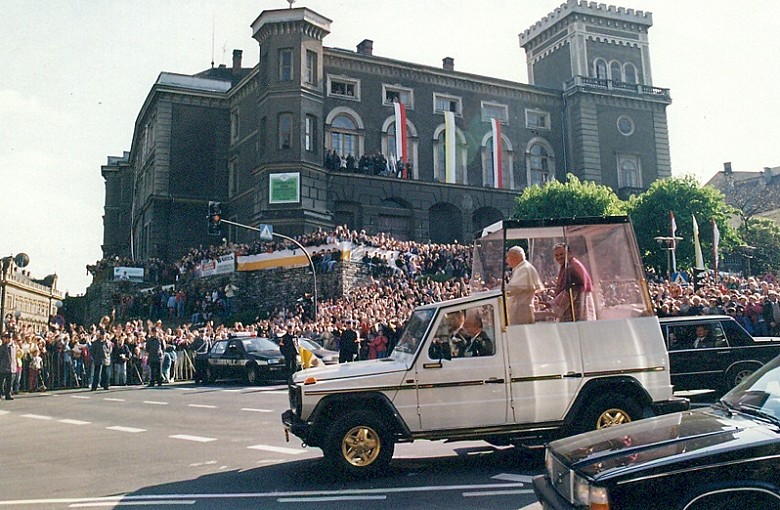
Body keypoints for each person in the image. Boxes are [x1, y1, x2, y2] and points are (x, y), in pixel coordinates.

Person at [552, 243, 595, 322]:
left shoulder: (572, 267)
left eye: (562, 254)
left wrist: (553, 305)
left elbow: (571, 292)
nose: (559, 257)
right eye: (556, 255)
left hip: (576, 311)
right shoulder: (567, 266)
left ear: (569, 253)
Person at [505, 246, 544, 325]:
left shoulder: (524, 269)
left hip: (521, 311)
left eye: (508, 257)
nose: (507, 260)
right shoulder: (521, 268)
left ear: (516, 257)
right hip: (520, 309)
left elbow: (512, 289)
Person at [0, 333, 17, 400]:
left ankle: (8, 394)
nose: (9, 339)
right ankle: (0, 394)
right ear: (6, 339)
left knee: (10, 383)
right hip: (4, 367)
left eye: (11, 338)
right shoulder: (2, 347)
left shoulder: (14, 346)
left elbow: (14, 357)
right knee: (1, 382)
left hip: (12, 367)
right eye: (8, 338)